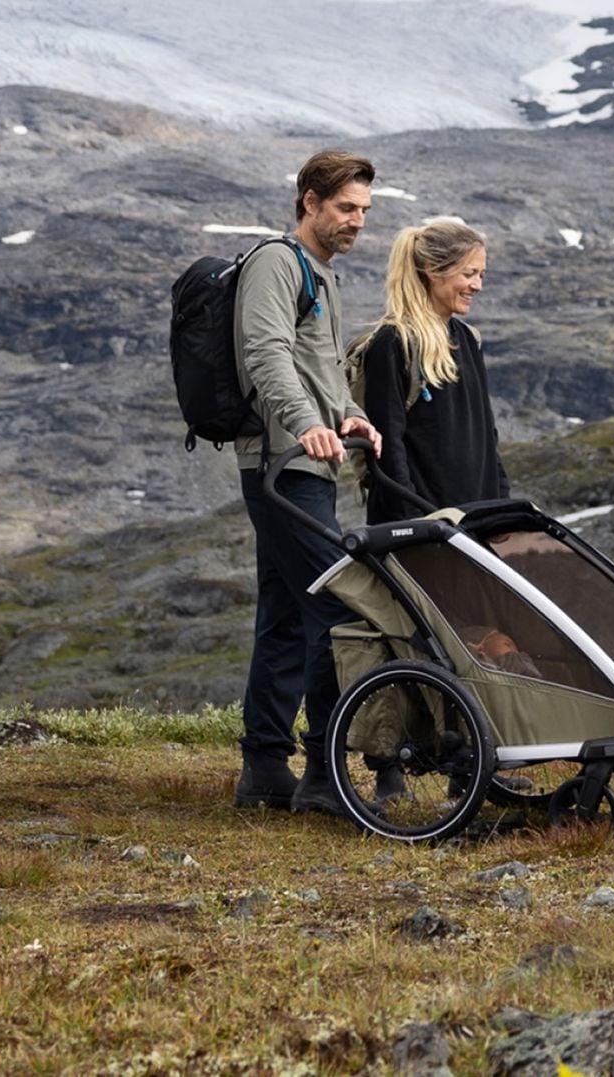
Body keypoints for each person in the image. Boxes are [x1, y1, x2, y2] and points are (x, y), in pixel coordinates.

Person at [232, 149, 382, 813]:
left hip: (311, 467)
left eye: (364, 211)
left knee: (288, 614)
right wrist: (302, 425)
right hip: (281, 468)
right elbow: (263, 350)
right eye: (346, 207)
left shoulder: (323, 276)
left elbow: (319, 369)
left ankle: (264, 768)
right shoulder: (276, 262)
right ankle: (324, 774)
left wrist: (349, 416)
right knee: (340, 608)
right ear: (309, 202)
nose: (357, 221)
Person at [348, 218, 509, 525]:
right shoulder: (393, 342)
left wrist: (502, 508)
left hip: (474, 521)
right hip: (425, 527)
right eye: (469, 274)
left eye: (481, 275)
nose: (478, 285)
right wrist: (411, 521)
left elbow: (487, 436)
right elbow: (386, 445)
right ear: (434, 271)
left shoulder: (468, 339)